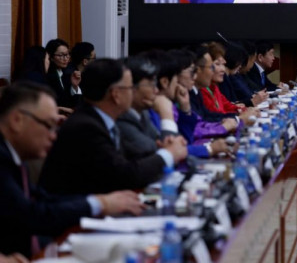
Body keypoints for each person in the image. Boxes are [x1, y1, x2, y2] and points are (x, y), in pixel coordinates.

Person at [0, 82, 143, 258]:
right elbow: (30, 215)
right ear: (17, 120)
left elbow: (41, 200)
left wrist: (99, 202)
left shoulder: (14, 155)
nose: (54, 135)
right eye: (49, 125)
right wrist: (100, 204)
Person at [39, 58, 188, 195]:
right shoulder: (86, 127)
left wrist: (164, 152)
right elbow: (124, 175)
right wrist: (168, 154)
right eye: (130, 87)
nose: (133, 92)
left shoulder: (103, 120)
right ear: (116, 95)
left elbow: (127, 165)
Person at [44, 38, 81, 109]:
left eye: (67, 54)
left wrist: (75, 86)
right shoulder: (48, 75)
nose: (66, 58)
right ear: (51, 57)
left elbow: (77, 102)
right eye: (61, 55)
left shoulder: (68, 73)